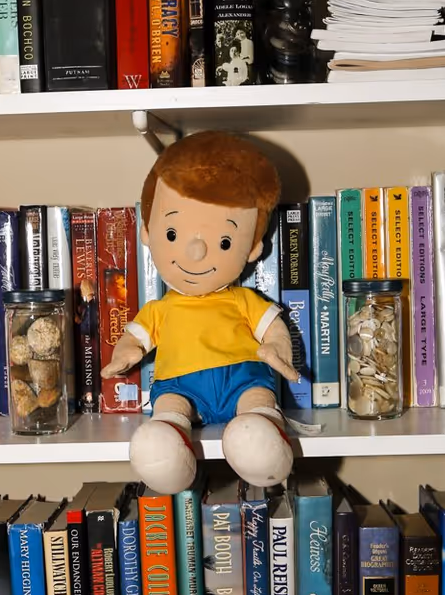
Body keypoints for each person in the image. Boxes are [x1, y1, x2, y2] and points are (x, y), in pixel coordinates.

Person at [101, 132, 298, 494]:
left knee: (255, 410)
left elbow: (274, 330)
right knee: (167, 414)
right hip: (179, 386)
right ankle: (168, 446)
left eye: (224, 242)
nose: (194, 253)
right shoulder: (160, 309)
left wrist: (276, 348)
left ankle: (260, 432)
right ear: (148, 232)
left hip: (242, 379)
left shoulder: (243, 300)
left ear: (253, 248)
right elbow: (135, 338)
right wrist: (126, 351)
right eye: (173, 233)